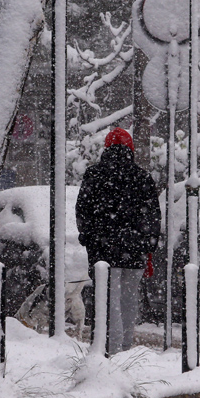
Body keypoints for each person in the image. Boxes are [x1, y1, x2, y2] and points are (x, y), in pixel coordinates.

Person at [75, 127, 161, 354]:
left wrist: (90, 238)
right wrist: (147, 244)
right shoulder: (142, 177)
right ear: (130, 149)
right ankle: (125, 347)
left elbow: (82, 211)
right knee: (129, 300)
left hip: (104, 251)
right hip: (134, 252)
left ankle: (111, 349)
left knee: (110, 301)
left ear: (107, 147)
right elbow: (153, 215)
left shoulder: (95, 175)